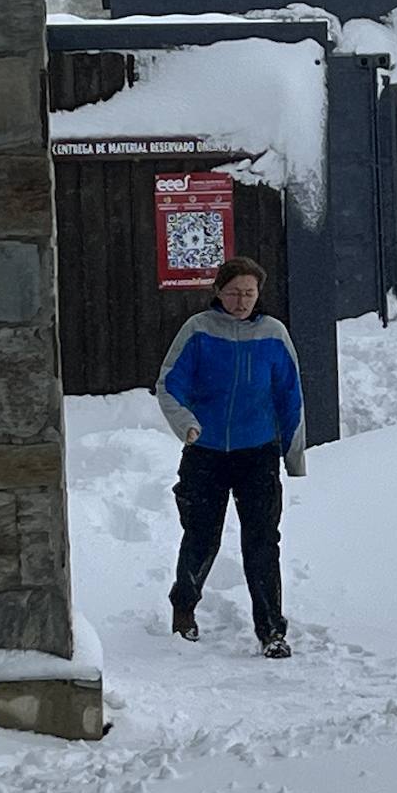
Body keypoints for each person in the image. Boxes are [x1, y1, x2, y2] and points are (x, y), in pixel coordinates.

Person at [156, 256, 307, 659]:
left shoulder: (274, 335)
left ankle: (272, 630)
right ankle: (184, 609)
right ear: (218, 292)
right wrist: (186, 424)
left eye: (249, 293)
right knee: (202, 535)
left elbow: (290, 396)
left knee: (262, 542)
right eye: (234, 292)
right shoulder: (198, 331)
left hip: (257, 453)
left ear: (259, 295)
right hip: (205, 453)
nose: (241, 301)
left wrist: (294, 456)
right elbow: (169, 384)